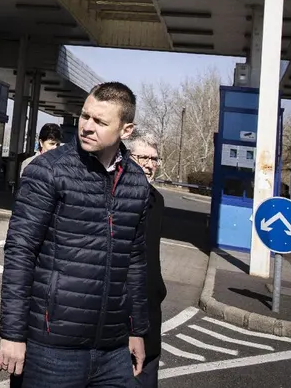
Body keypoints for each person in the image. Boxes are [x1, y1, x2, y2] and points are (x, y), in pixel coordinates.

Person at [0, 82, 151, 387]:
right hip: (51, 348)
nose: (87, 127)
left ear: (126, 130)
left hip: (112, 349)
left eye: (100, 121)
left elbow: (134, 262)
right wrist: (12, 334)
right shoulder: (48, 170)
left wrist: (137, 329)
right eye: (85, 116)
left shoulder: (137, 183)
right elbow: (20, 251)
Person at [125, 128, 165, 388]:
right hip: (122, 315)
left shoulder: (157, 200)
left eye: (154, 159)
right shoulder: (115, 198)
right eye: (144, 158)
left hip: (150, 311)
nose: (150, 165)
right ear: (128, 158)